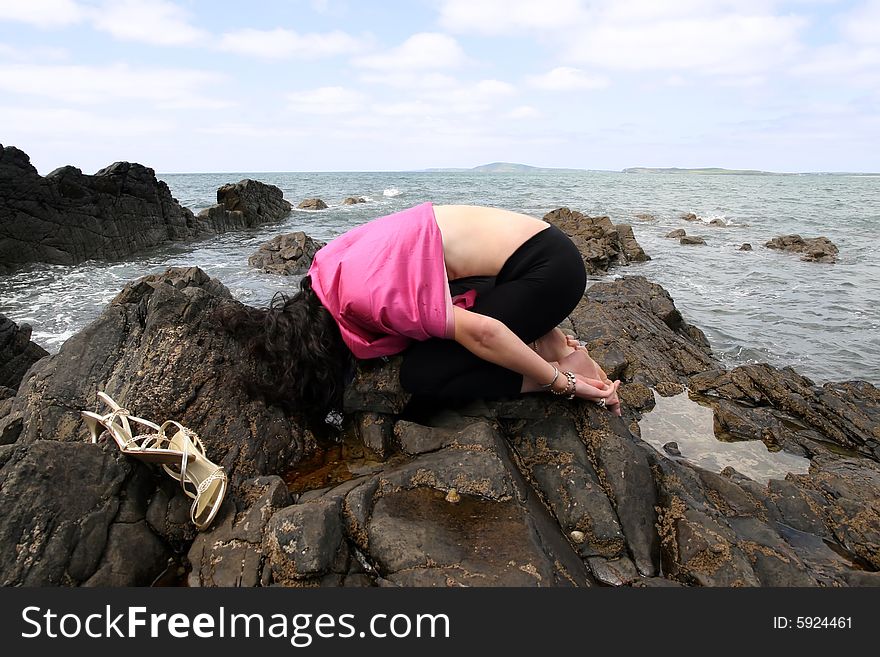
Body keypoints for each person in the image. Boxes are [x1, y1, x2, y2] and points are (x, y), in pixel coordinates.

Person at [222, 202, 621, 424]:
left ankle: (572, 367)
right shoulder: (327, 268)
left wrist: (561, 384)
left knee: (422, 374)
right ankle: (545, 338)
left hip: (548, 273)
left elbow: (483, 334)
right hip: (525, 256)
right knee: (436, 338)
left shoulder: (367, 299)